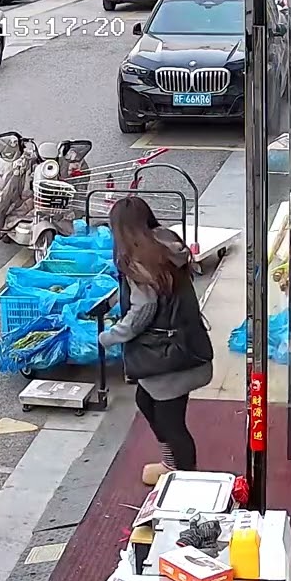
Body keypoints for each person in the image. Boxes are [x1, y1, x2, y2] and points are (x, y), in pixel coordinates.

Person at [98, 196, 213, 486]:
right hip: (185, 346)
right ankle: (170, 464)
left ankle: (188, 483)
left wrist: (109, 337)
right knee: (146, 402)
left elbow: (142, 312)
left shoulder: (137, 260)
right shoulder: (165, 243)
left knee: (171, 423)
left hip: (167, 357)